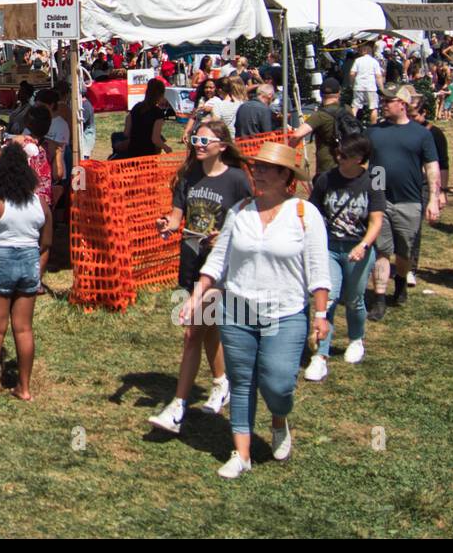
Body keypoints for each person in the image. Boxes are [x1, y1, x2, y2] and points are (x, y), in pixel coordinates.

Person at [187, 142, 330, 478]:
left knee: (278, 383)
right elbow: (219, 259)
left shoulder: (304, 214)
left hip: (286, 312)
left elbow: (319, 269)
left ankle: (279, 418)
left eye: (266, 169)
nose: (258, 174)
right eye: (256, 168)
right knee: (241, 381)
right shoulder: (241, 211)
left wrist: (321, 315)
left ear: (286, 176)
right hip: (238, 310)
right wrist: (197, 295)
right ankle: (242, 454)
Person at [148, 119, 252, 434]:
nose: (199, 144)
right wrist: (167, 224)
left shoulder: (236, 180)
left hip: (220, 266)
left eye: (205, 140)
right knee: (207, 329)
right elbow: (178, 214)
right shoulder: (188, 176)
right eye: (196, 138)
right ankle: (221, 383)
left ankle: (177, 407)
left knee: (194, 331)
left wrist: (225, 235)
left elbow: (250, 220)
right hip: (191, 260)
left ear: (223, 145)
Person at [305, 134, 385, 381]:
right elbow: (314, 213)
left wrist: (364, 245)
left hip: (357, 248)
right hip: (329, 247)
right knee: (326, 300)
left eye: (345, 155)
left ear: (359, 158)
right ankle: (320, 356)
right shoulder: (326, 179)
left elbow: (376, 220)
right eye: (338, 153)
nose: (338, 158)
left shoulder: (373, 181)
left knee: (354, 299)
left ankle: (356, 339)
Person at [365, 83, 442, 320]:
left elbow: (431, 167)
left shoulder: (421, 134)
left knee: (404, 252)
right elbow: (364, 163)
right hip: (380, 200)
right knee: (382, 251)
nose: (384, 105)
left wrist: (433, 199)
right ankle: (379, 299)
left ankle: (400, 281)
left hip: (409, 201)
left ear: (402, 104)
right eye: (383, 100)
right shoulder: (374, 132)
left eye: (389, 101)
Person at [117, 77, 171, 157]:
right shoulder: (158, 113)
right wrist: (166, 147)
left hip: (132, 152)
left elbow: (126, 132)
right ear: (161, 95)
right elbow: (155, 139)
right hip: (148, 154)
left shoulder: (136, 107)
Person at [350, 42, 384, 124]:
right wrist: (382, 88)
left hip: (358, 86)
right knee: (373, 108)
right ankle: (373, 126)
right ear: (370, 52)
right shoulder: (374, 61)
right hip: (371, 87)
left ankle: (351, 125)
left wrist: (352, 83)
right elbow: (378, 76)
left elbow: (352, 73)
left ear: (364, 51)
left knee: (355, 107)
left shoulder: (357, 60)